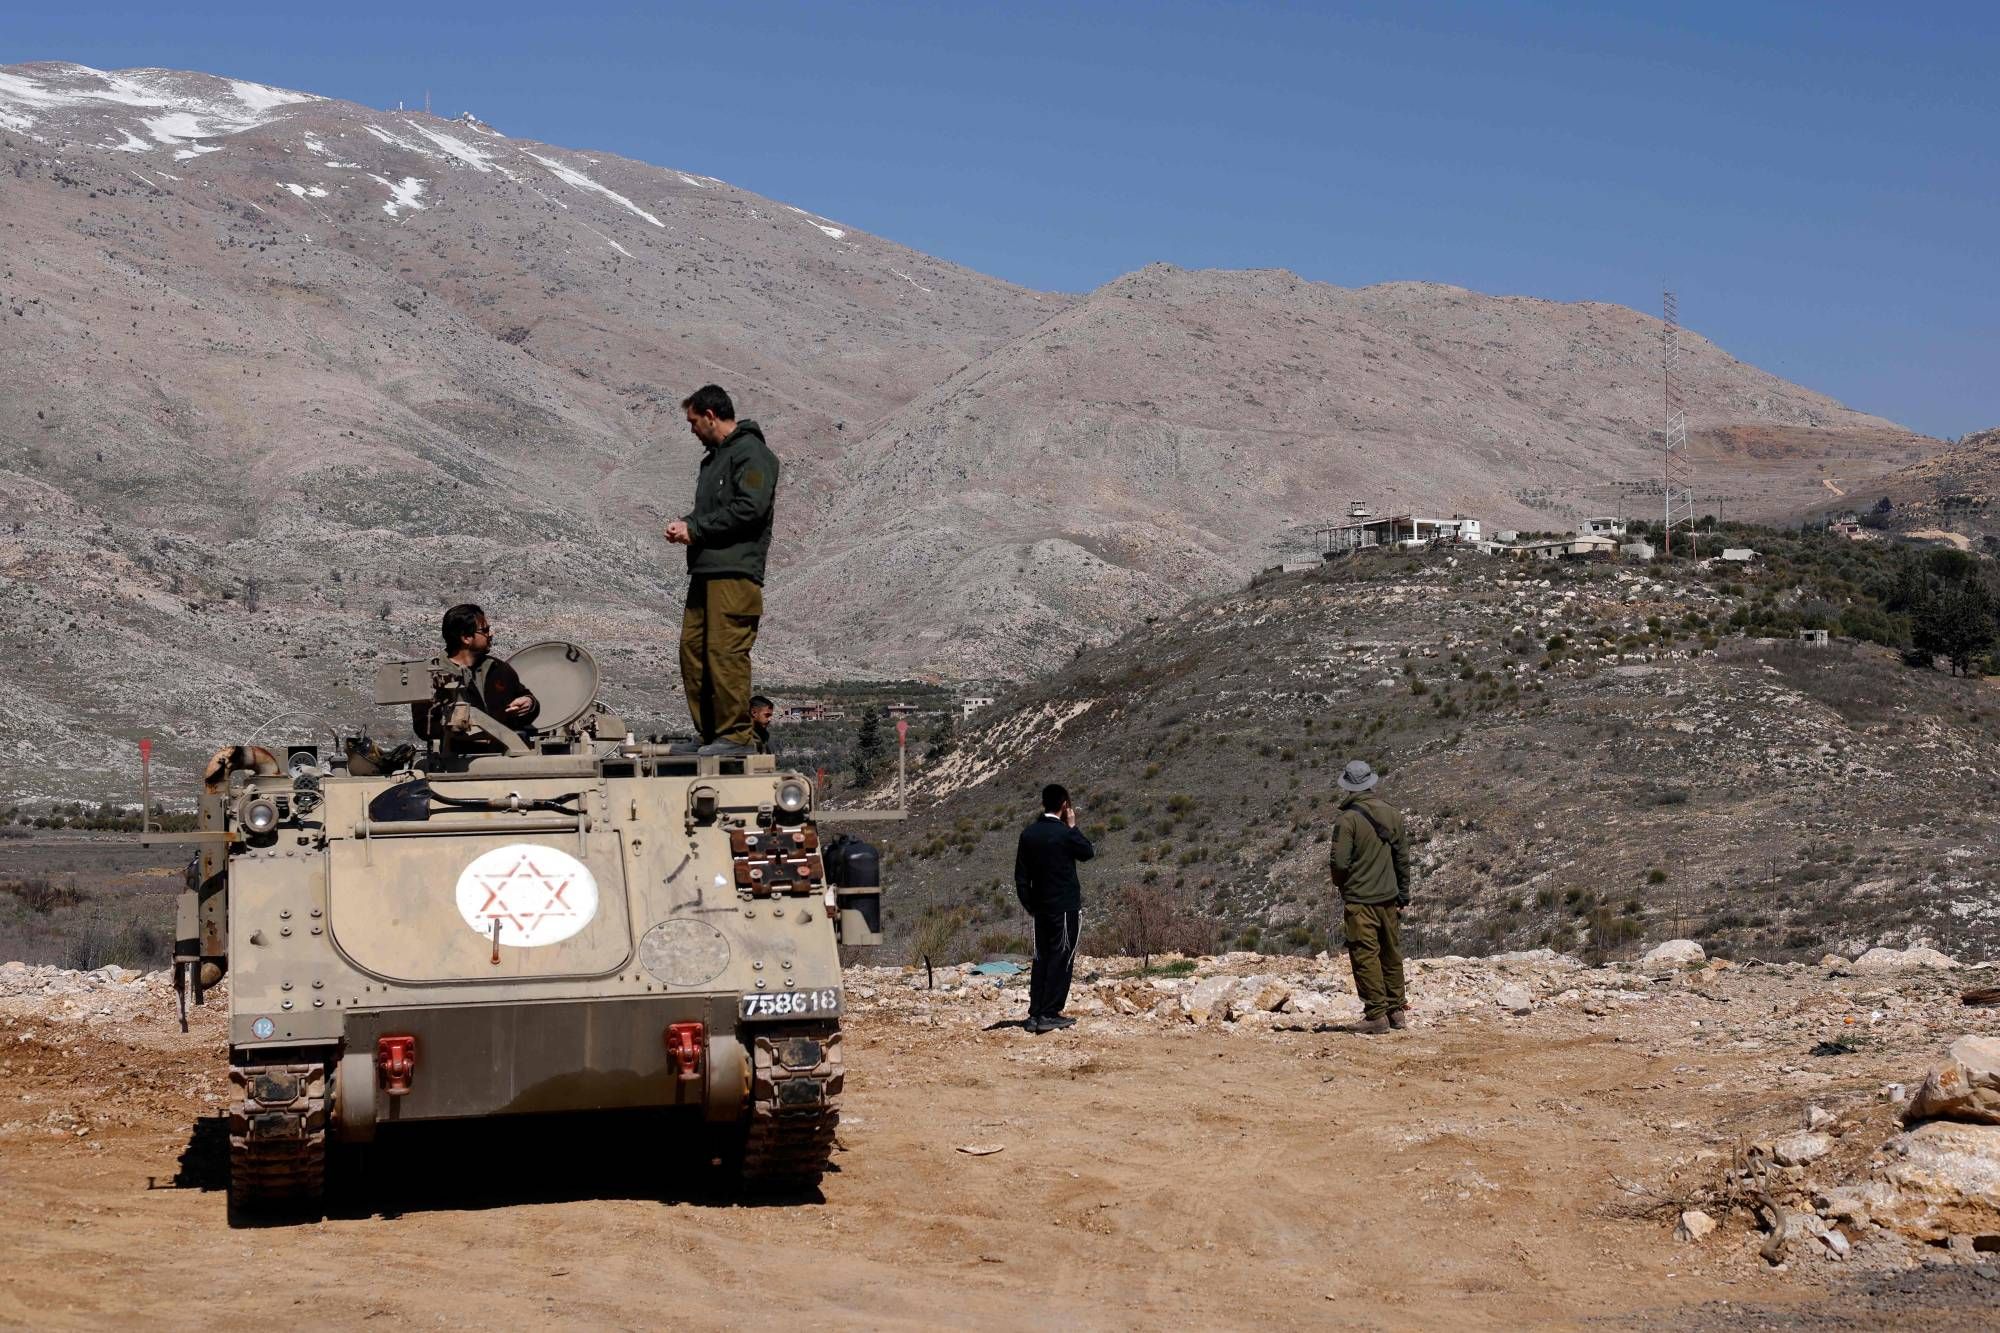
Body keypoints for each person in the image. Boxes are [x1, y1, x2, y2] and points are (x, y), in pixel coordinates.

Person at [664, 384, 779, 757]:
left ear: (711, 416)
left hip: (734, 573)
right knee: (694, 651)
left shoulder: (752, 454)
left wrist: (696, 529)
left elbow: (750, 508)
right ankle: (711, 733)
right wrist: (687, 524)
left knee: (725, 652)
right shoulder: (715, 460)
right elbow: (716, 512)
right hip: (706, 571)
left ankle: (735, 737)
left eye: (694, 422)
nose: (692, 430)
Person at [1328, 759, 1412, 1034]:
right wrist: (1403, 894)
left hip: (1360, 900)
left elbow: (1339, 862)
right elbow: (1402, 858)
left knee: (1366, 955)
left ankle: (1376, 1015)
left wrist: (1343, 886)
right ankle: (1396, 1011)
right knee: (1391, 953)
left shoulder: (1347, 820)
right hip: (1389, 898)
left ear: (1348, 786)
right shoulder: (1393, 814)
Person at [1013, 783, 1095, 1034]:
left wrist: (1030, 905)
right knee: (1062, 957)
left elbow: (1021, 877)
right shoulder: (1065, 833)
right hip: (1064, 908)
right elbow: (1087, 852)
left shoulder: (1028, 834)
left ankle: (1036, 1013)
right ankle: (1049, 1013)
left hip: (1040, 909)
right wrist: (1073, 826)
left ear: (1043, 804)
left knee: (1042, 958)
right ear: (1064, 805)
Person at [410, 603, 538, 745]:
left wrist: (529, 703)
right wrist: (458, 729)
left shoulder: (498, 669)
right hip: (457, 756)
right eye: (485, 630)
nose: (491, 634)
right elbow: (424, 727)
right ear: (466, 638)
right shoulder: (430, 675)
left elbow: (524, 698)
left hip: (504, 753)